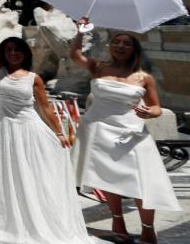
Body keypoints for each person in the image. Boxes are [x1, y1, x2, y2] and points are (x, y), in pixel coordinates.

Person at [0, 3, 98, 244]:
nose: (12, 53)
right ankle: (12, 216)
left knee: (31, 175)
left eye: (17, 50)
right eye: (8, 50)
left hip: (28, 129)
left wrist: (60, 133)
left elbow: (45, 109)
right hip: (4, 129)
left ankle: (35, 218)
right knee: (9, 174)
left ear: (25, 53)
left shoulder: (35, 78)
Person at [69, 17, 180, 244]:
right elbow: (75, 55)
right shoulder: (98, 67)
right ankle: (118, 222)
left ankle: (148, 228)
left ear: (134, 49)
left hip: (130, 133)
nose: (120, 46)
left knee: (141, 181)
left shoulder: (143, 77)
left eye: (126, 43)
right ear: (111, 46)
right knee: (109, 178)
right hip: (99, 129)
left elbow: (157, 106)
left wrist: (152, 112)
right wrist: (80, 31)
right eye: (116, 42)